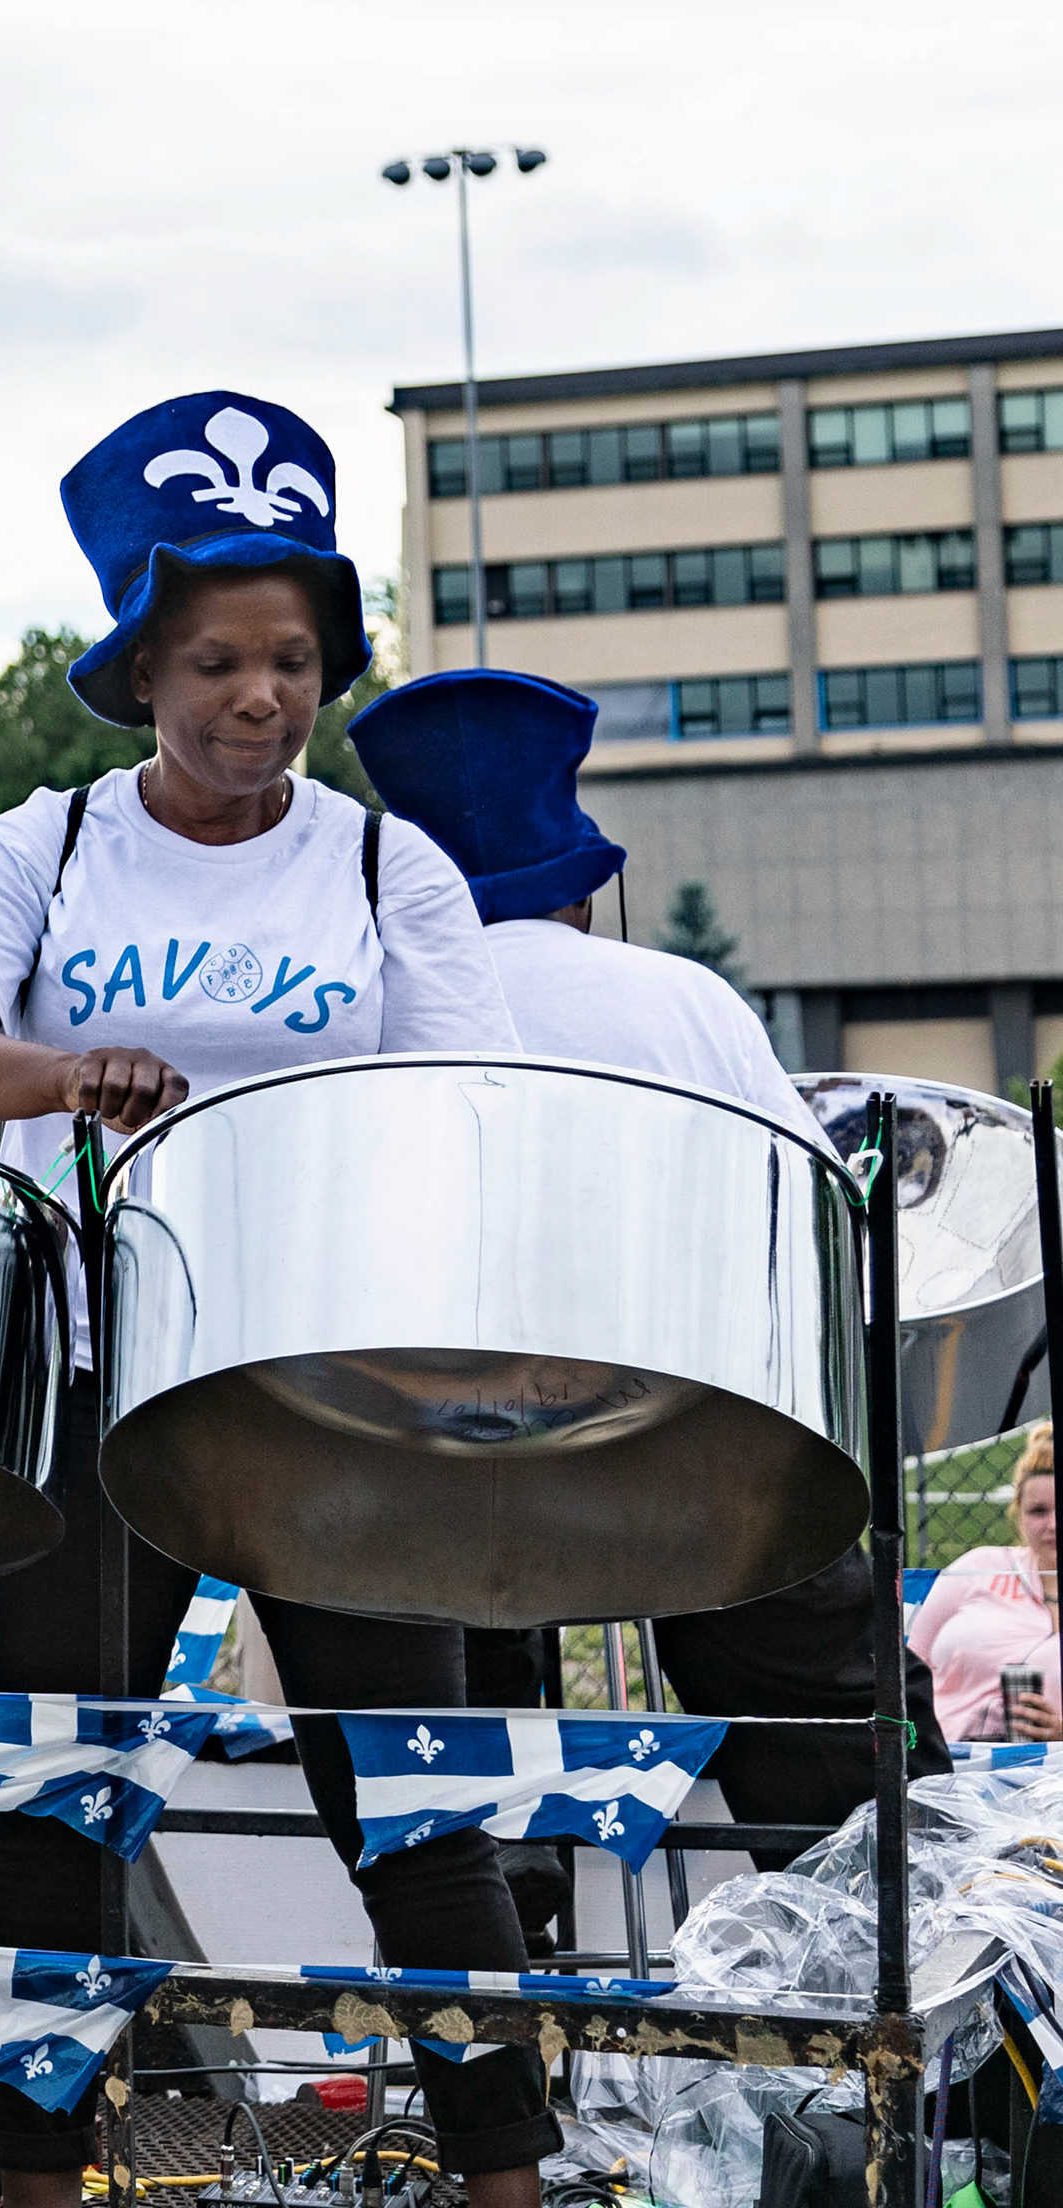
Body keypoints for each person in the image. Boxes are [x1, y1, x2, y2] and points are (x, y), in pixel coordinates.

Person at [0, 392, 553, 2207]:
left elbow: (471, 1108)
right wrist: (63, 1072)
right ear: (146, 670)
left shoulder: (388, 864)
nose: (264, 698)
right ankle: (37, 2180)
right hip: (95, 1385)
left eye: (296, 664)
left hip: (331, 1394)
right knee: (54, 1811)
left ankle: (505, 2176)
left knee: (412, 1812)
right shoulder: (44, 847)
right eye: (224, 662)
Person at [349, 667, 949, 1839]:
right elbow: (809, 1235)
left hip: (435, 1463)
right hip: (693, 1445)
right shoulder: (686, 1001)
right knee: (845, 1765)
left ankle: (500, 1935)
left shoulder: (365, 1012)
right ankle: (892, 1918)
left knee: (462, 1785)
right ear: (581, 889)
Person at [910, 1423, 1057, 1742]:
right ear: (1019, 1515)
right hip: (949, 1754)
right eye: (1038, 1511)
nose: (1053, 1525)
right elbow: (908, 1663)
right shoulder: (981, 1567)